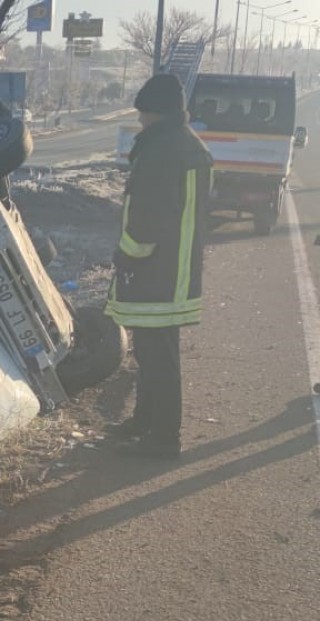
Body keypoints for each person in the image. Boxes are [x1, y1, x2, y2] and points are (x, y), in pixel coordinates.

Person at [105, 73, 212, 460]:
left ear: (157, 112)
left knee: (158, 358)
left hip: (157, 272)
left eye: (143, 113)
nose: (140, 121)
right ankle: (146, 420)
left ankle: (163, 437)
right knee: (152, 355)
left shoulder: (163, 150)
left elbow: (148, 216)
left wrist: (127, 253)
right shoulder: (184, 146)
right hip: (172, 269)